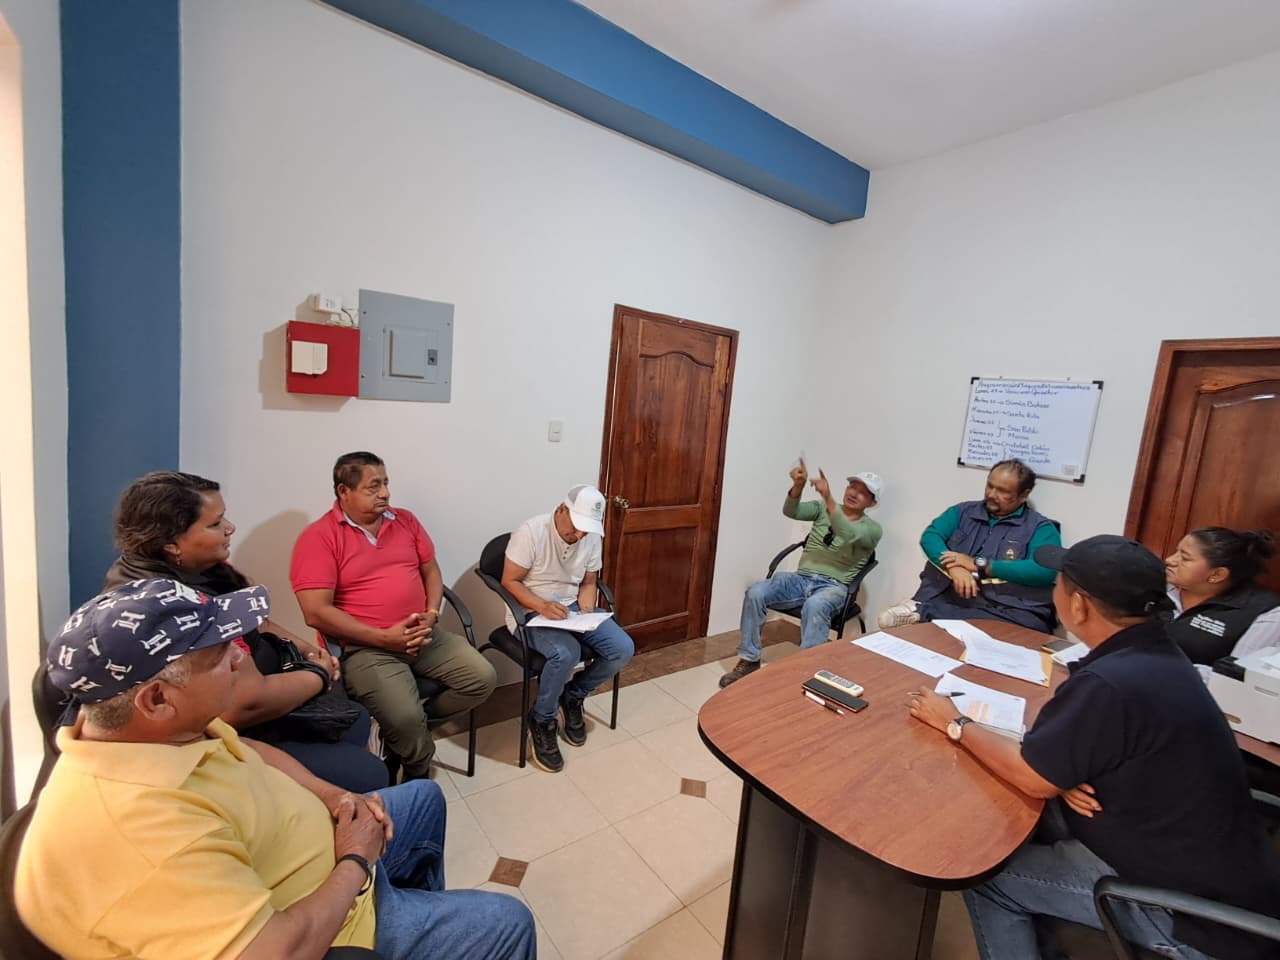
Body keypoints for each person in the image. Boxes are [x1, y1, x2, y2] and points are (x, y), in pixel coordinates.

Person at [16, 578, 535, 960]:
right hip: (330, 924)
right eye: (221, 655)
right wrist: (355, 861)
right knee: (507, 920)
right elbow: (280, 951)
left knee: (424, 798)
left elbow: (248, 750)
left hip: (328, 851)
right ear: (156, 698)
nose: (239, 660)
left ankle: (418, 912)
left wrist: (333, 796)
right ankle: (402, 924)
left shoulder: (158, 731)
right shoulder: (138, 835)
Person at [907, 535, 1280, 960]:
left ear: (1079, 605)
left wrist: (954, 722)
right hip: (1211, 867)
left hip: (1189, 914)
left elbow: (1033, 777)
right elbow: (1070, 750)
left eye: (1058, 583)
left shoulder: (1111, 684)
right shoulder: (1156, 653)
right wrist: (1061, 772)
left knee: (989, 878)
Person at [105, 470, 388, 794]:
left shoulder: (196, 569)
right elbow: (243, 704)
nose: (230, 528)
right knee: (368, 772)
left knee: (356, 720)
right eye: (215, 524)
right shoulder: (172, 608)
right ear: (171, 543)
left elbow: (257, 621)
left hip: (258, 698)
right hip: (218, 737)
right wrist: (318, 674)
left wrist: (304, 648)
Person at [291, 452, 497, 781]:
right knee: (404, 717)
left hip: (422, 634)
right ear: (344, 491)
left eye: (386, 483)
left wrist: (432, 613)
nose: (385, 493)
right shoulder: (319, 537)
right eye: (373, 487)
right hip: (367, 647)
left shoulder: (405, 521)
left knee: (482, 678)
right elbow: (315, 612)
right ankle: (417, 764)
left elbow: (431, 571)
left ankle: (405, 737)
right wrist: (384, 638)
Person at [500, 483, 635, 772]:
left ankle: (573, 695)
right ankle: (542, 718)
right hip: (529, 612)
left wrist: (585, 614)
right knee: (566, 653)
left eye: (586, 530)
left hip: (571, 608)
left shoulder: (590, 536)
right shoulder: (531, 532)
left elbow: (588, 582)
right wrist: (541, 606)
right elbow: (509, 581)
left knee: (622, 648)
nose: (579, 535)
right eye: (576, 527)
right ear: (563, 509)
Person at [719, 462, 882, 688]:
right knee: (756, 592)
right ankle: (749, 659)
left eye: (863, 492)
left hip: (833, 587)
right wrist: (798, 486)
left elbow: (846, 531)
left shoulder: (872, 529)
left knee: (815, 605)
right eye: (853, 487)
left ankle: (807, 671)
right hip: (801, 579)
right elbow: (791, 511)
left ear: (872, 503)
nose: (854, 493)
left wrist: (828, 498)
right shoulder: (821, 508)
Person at [879, 459, 1061, 634]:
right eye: (990, 486)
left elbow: (1045, 570)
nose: (991, 494)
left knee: (1030, 624)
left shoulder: (1040, 527)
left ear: (1024, 495)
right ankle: (930, 613)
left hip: (1006, 606)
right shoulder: (963, 511)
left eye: (1002, 491)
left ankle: (923, 613)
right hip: (952, 595)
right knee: (969, 618)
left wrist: (980, 565)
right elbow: (931, 537)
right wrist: (954, 568)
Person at [1165, 526, 1279, 665]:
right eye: (1176, 551)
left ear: (1217, 574)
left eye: (1184, 558)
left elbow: (1236, 672)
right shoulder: (1157, 581)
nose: (1169, 560)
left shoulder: (1265, 611)